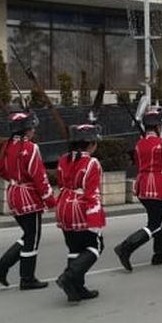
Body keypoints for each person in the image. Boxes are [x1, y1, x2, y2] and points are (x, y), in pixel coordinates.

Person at [113, 107, 162, 272]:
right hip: (158, 186)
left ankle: (159, 254)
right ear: (159, 127)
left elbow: (139, 165)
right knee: (156, 224)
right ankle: (126, 247)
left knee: (161, 221)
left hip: (143, 186)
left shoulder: (139, 144)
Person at [0, 111, 55, 291]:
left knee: (28, 235)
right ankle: (27, 278)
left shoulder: (7, 146)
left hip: (13, 193)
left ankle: (2, 267)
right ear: (26, 130)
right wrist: (49, 199)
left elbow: (1, 171)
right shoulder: (31, 148)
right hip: (28, 196)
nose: (33, 130)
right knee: (32, 238)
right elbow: (39, 176)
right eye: (31, 127)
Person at [54, 124, 105, 302]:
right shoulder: (92, 163)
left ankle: (77, 287)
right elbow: (92, 193)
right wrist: (96, 220)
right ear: (90, 144)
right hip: (80, 207)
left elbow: (60, 183)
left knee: (74, 248)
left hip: (63, 205)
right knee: (95, 246)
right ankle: (69, 277)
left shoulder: (63, 159)